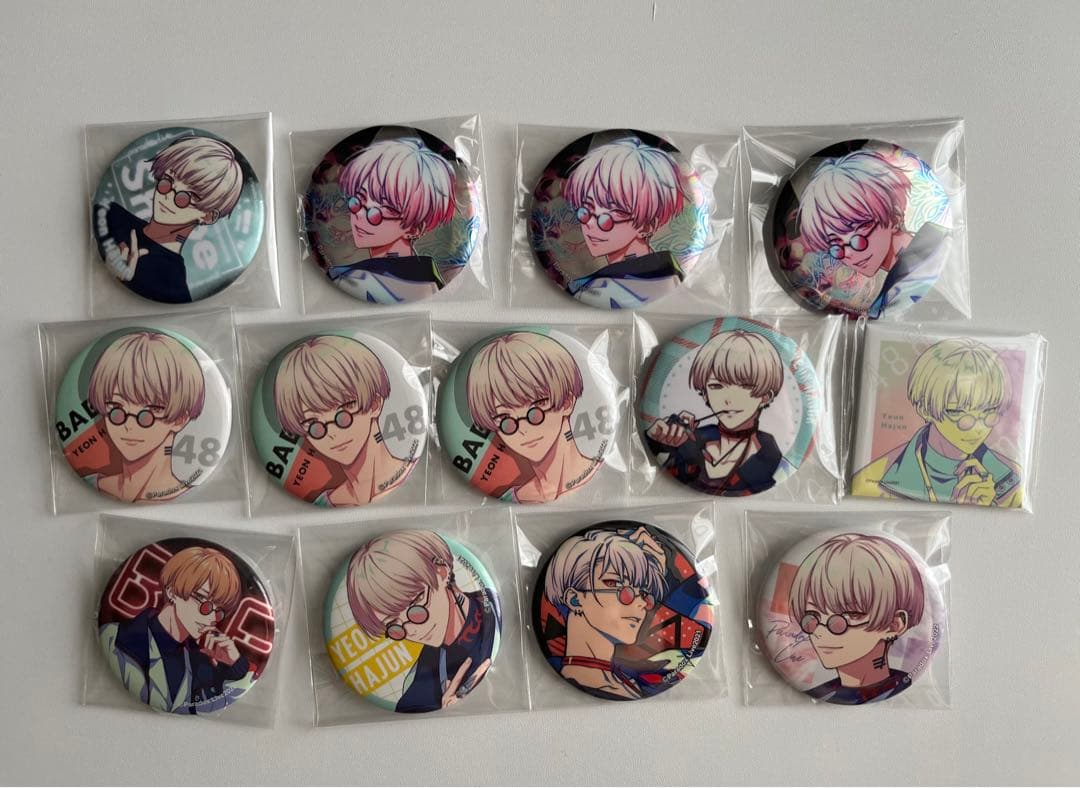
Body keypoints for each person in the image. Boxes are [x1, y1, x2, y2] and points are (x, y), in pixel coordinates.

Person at [853, 338, 1022, 507]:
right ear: (924, 409)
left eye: (989, 411)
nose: (978, 427)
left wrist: (989, 505)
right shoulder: (876, 475)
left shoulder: (1011, 479)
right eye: (958, 412)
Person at [346, 531, 499, 713]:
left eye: (416, 605)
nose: (412, 629)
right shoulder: (422, 682)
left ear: (441, 572)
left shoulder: (491, 609)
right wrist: (445, 705)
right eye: (394, 626)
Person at [792, 149, 949, 317]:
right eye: (837, 248)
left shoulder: (932, 252)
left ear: (894, 216)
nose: (849, 255)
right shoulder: (887, 289)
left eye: (857, 240)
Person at [99, 546, 254, 714]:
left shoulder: (200, 663)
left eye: (219, 612)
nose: (211, 619)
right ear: (172, 591)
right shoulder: (115, 638)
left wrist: (235, 665)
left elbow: (219, 703)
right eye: (205, 605)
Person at [274, 335, 417, 506]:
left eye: (342, 417)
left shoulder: (414, 475)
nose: (332, 434)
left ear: (374, 404)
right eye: (314, 425)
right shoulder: (325, 500)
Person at [787, 533, 925, 705]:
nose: (820, 632)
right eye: (812, 615)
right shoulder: (821, 691)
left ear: (894, 624)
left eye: (848, 616)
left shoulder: (906, 685)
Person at [104, 136, 244, 303]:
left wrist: (121, 279)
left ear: (207, 216)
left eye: (186, 197)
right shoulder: (111, 214)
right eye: (167, 182)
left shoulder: (172, 284)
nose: (168, 196)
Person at [466, 331, 602, 502]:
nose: (523, 430)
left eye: (535, 412)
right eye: (506, 420)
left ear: (567, 402)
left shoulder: (601, 476)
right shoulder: (513, 497)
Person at [645, 329, 783, 495]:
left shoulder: (769, 455)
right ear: (705, 394)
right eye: (716, 386)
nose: (728, 399)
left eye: (745, 386)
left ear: (766, 396)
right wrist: (654, 440)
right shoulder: (689, 439)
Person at [561, 137, 686, 308]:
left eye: (606, 219)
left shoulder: (600, 288)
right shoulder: (670, 273)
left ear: (647, 226)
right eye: (584, 212)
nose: (590, 224)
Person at [327, 138, 456, 302]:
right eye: (356, 202)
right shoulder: (430, 278)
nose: (359, 215)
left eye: (375, 214)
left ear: (414, 228)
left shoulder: (356, 279)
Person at [86, 331, 206, 502]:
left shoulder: (192, 500)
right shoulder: (90, 484)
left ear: (180, 419)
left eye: (147, 414)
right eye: (116, 409)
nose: (128, 426)